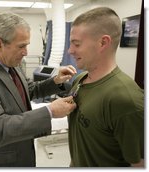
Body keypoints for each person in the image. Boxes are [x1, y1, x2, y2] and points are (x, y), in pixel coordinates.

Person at [0, 12, 77, 167]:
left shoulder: (13, 65)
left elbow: (29, 90)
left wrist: (56, 81)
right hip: (2, 161)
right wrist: (50, 111)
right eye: (21, 46)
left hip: (23, 153)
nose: (26, 52)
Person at [67, 7, 144, 167]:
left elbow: (140, 165)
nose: (70, 51)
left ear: (103, 43)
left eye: (77, 44)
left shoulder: (125, 99)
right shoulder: (79, 80)